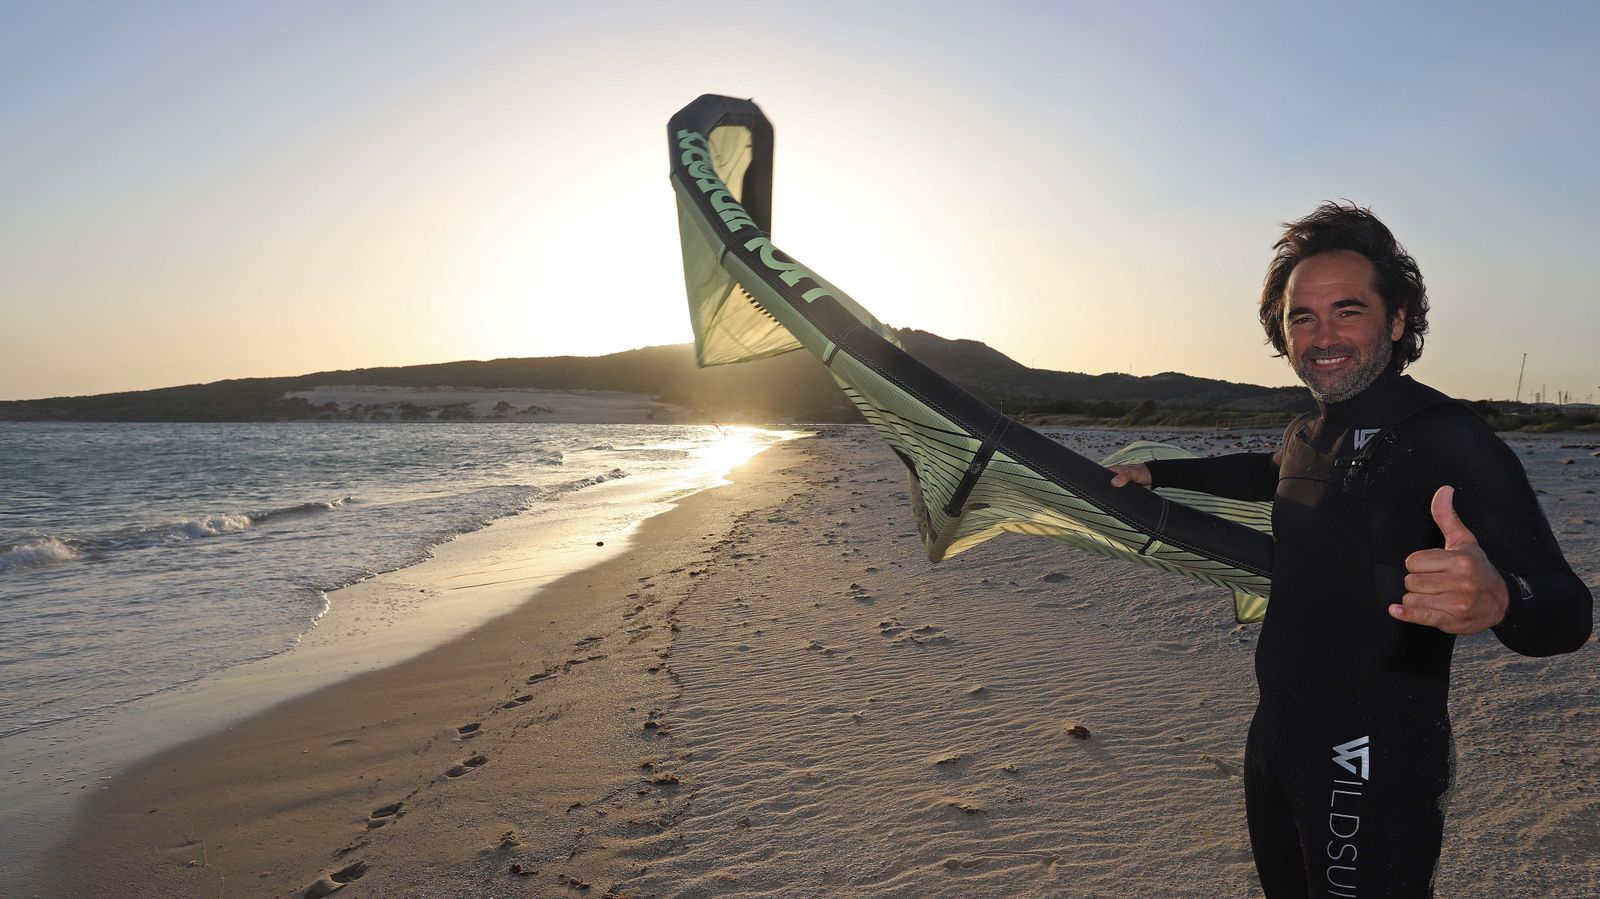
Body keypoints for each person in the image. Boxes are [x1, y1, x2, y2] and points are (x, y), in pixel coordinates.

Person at [1106, 202, 1592, 898]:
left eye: (1348, 310)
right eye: (1302, 316)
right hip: (1275, 741)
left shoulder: (1447, 436)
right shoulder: (1307, 432)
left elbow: (1570, 613)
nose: (1321, 335)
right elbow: (1265, 471)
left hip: (1374, 760)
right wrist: (1162, 472)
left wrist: (1503, 597)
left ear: (1396, 321)